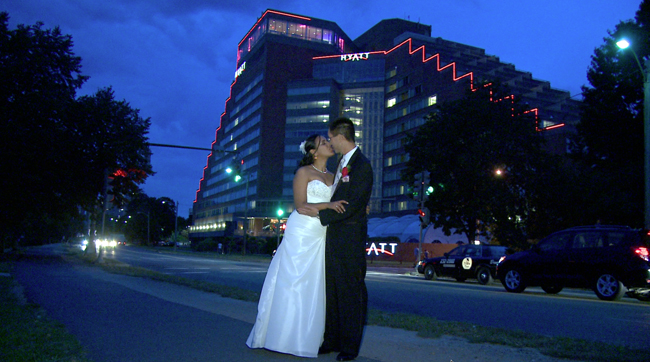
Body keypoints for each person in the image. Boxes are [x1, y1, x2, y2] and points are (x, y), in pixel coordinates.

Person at [246, 134, 347, 358]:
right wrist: (328, 204)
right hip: (302, 230)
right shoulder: (304, 173)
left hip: (322, 231)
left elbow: (336, 206)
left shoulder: (334, 176)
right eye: (324, 143)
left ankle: (309, 336)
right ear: (313, 152)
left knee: (315, 282)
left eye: (328, 141)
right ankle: (281, 335)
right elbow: (302, 206)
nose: (329, 144)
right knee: (293, 279)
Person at [298, 117, 374, 361]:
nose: (330, 142)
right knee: (332, 291)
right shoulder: (343, 162)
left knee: (350, 292)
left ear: (341, 136)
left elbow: (351, 205)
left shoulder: (362, 165)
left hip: (350, 239)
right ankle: (331, 340)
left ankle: (350, 347)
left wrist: (320, 215)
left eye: (331, 138)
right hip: (332, 239)